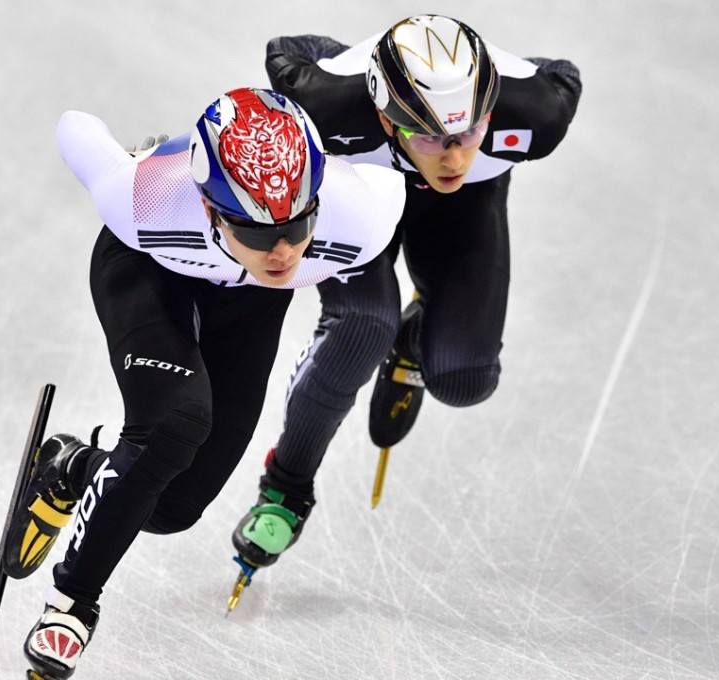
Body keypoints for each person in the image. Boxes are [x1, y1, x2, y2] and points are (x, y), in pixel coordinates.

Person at [1, 87, 405, 679]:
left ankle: (74, 468)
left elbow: (405, 171)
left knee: (170, 509)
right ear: (212, 209)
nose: (286, 250)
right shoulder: (142, 200)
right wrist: (149, 156)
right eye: (262, 234)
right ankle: (71, 607)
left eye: (299, 224)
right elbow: (75, 125)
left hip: (251, 304)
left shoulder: (362, 218)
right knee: (174, 423)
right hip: (149, 272)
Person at [230, 15, 582, 579]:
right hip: (361, 192)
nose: (453, 159)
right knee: (363, 325)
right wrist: (353, 60)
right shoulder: (325, 102)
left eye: (468, 134)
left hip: (463, 208)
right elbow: (288, 50)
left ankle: (416, 335)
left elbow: (561, 75)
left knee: (465, 378)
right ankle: (286, 488)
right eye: (430, 137)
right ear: (385, 116)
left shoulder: (537, 113)